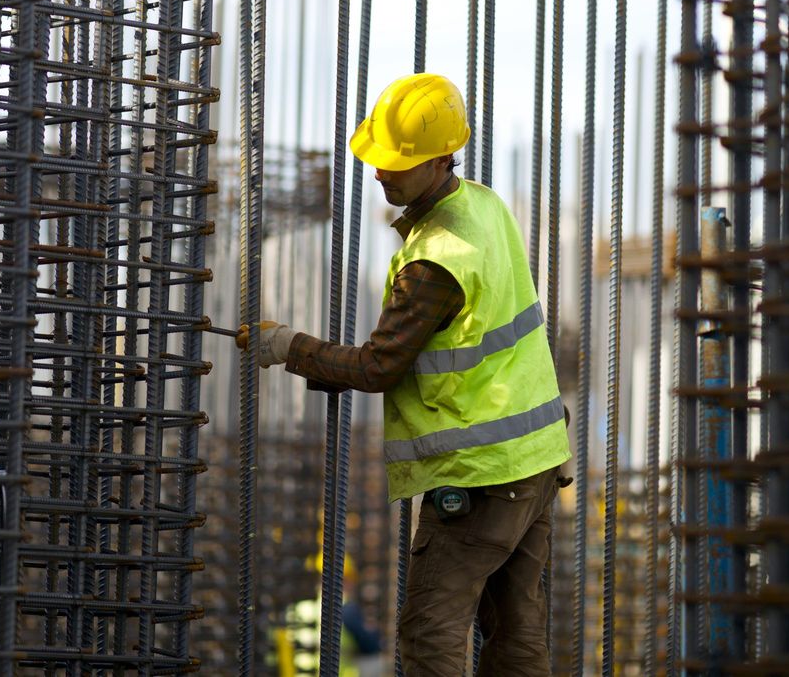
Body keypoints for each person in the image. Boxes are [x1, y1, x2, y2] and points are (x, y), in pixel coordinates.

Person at [237, 73, 571, 676]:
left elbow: (378, 367)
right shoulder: (483, 205)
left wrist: (287, 347)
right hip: (537, 459)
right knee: (517, 636)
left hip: (482, 477)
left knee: (429, 633)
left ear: (442, 159)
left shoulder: (435, 260)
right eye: (379, 159)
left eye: (398, 163)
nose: (381, 173)